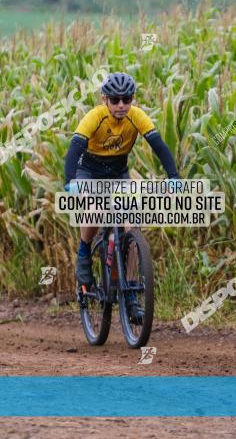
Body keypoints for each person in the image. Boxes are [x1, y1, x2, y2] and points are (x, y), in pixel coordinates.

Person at [63, 72, 180, 322]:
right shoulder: (94, 117)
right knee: (93, 211)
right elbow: (74, 149)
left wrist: (174, 177)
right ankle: (84, 253)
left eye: (126, 99)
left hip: (118, 173)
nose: (120, 105)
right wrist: (69, 182)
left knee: (131, 228)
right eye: (115, 100)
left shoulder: (136, 116)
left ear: (132, 99)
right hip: (89, 173)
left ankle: (131, 295)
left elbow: (159, 146)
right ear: (104, 99)